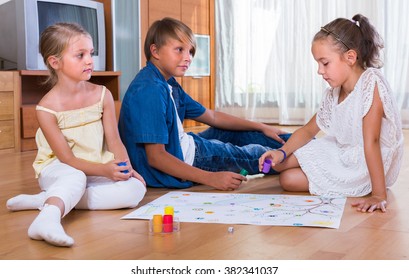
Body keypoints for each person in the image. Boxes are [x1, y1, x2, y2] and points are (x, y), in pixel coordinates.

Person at [6, 22, 146, 247]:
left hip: (96, 165)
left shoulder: (103, 95)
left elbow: (114, 140)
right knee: (76, 177)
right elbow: (67, 159)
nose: (90, 60)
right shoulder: (46, 108)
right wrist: (105, 171)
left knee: (135, 191)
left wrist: (126, 169)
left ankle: (50, 199)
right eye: (80, 55)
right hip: (60, 169)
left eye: (91, 53)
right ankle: (48, 218)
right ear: (55, 62)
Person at [118, 17, 291, 191]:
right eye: (179, 50)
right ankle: (304, 159)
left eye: (190, 51)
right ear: (155, 51)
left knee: (241, 132)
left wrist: (261, 126)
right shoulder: (150, 91)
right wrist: (211, 178)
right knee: (255, 155)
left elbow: (212, 116)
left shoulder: (167, 82)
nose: (188, 58)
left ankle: (303, 144)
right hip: (186, 160)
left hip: (185, 146)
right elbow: (156, 157)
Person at [259, 14, 404, 213]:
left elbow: (372, 142)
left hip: (365, 161)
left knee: (288, 179)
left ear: (350, 57)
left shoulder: (371, 83)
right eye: (318, 64)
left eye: (325, 63)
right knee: (280, 167)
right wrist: (281, 152)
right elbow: (309, 131)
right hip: (342, 150)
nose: (320, 71)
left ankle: (355, 184)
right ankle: (312, 170)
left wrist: (379, 195)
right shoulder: (334, 92)